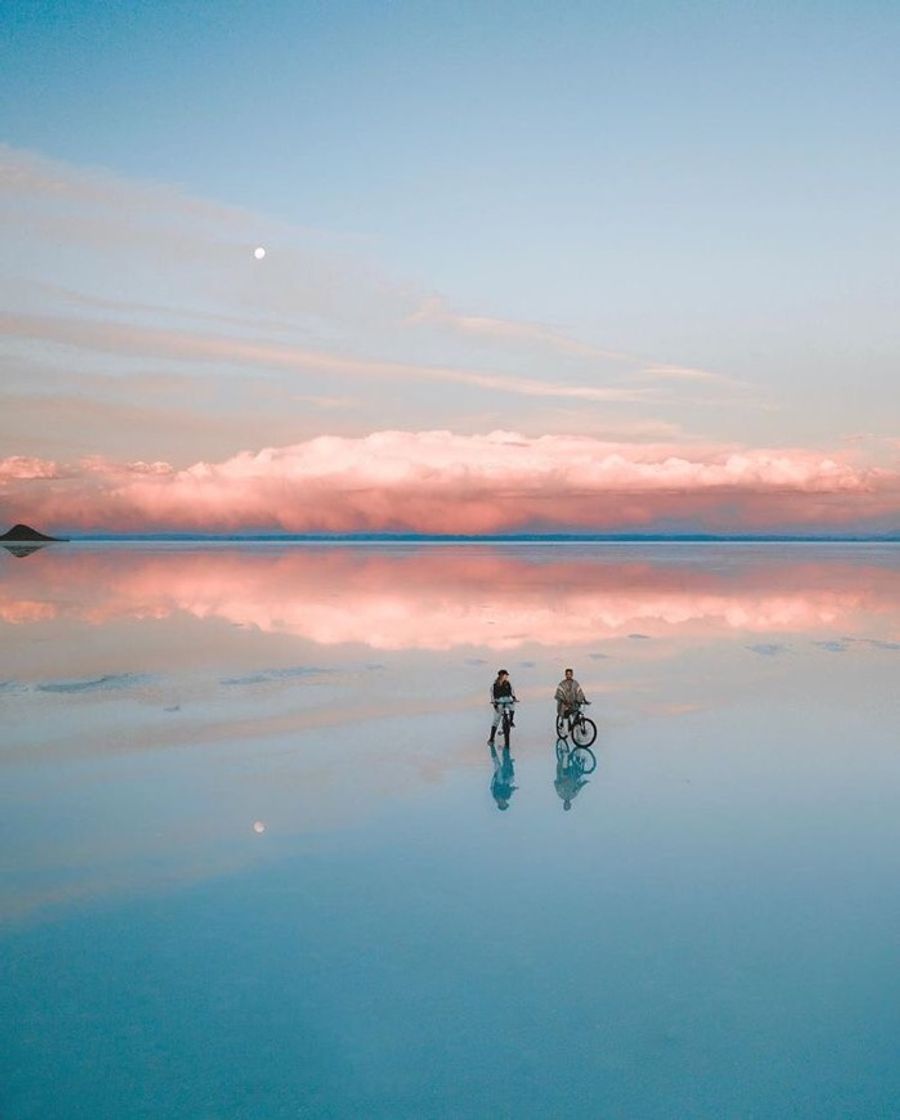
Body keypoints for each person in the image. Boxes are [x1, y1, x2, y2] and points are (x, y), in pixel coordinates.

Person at [488, 669, 517, 746]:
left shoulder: (508, 683)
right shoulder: (494, 685)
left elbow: (512, 692)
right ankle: (491, 738)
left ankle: (511, 720)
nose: (506, 676)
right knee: (496, 719)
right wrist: (494, 703)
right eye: (505, 675)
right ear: (501, 675)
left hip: (507, 699)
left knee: (512, 705)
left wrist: (514, 698)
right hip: (499, 701)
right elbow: (492, 695)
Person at [490, 743, 517, 811]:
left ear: (499, 804)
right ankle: (509, 762)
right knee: (512, 779)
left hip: (499, 780)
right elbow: (510, 789)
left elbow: (492, 785)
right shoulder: (507, 796)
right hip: (505, 780)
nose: (504, 802)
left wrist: (494, 775)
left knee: (498, 765)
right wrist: (514, 788)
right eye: (505, 803)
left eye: (503, 804)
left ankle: (492, 749)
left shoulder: (495, 796)